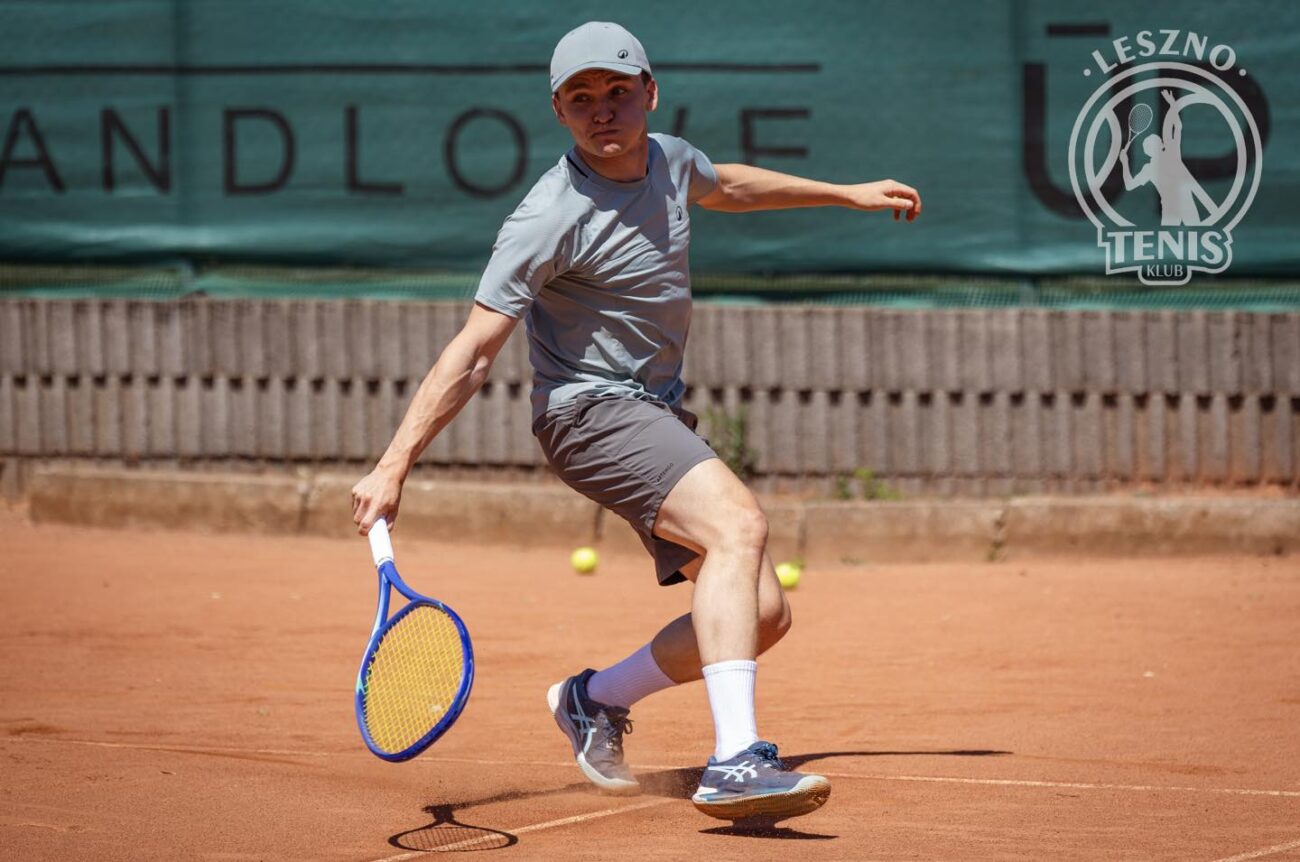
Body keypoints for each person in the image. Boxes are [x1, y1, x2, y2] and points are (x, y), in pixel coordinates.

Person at [351, 20, 922, 821]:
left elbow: (726, 185)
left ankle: (594, 698)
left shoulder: (670, 160)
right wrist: (394, 463)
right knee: (738, 525)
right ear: (559, 112)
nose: (602, 110)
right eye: (581, 98)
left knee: (763, 614)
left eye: (618, 91)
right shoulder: (548, 216)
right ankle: (736, 762)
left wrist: (845, 192)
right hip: (587, 413)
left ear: (650, 93)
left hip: (653, 410)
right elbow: (475, 350)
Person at [1121, 89, 1215, 226]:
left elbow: (1178, 127)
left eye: (1158, 142)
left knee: (1195, 232)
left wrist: (1173, 105)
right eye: (1156, 143)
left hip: (1185, 205)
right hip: (1171, 208)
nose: (1160, 144)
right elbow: (1129, 186)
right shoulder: (1154, 165)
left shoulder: (1170, 154)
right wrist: (1125, 163)